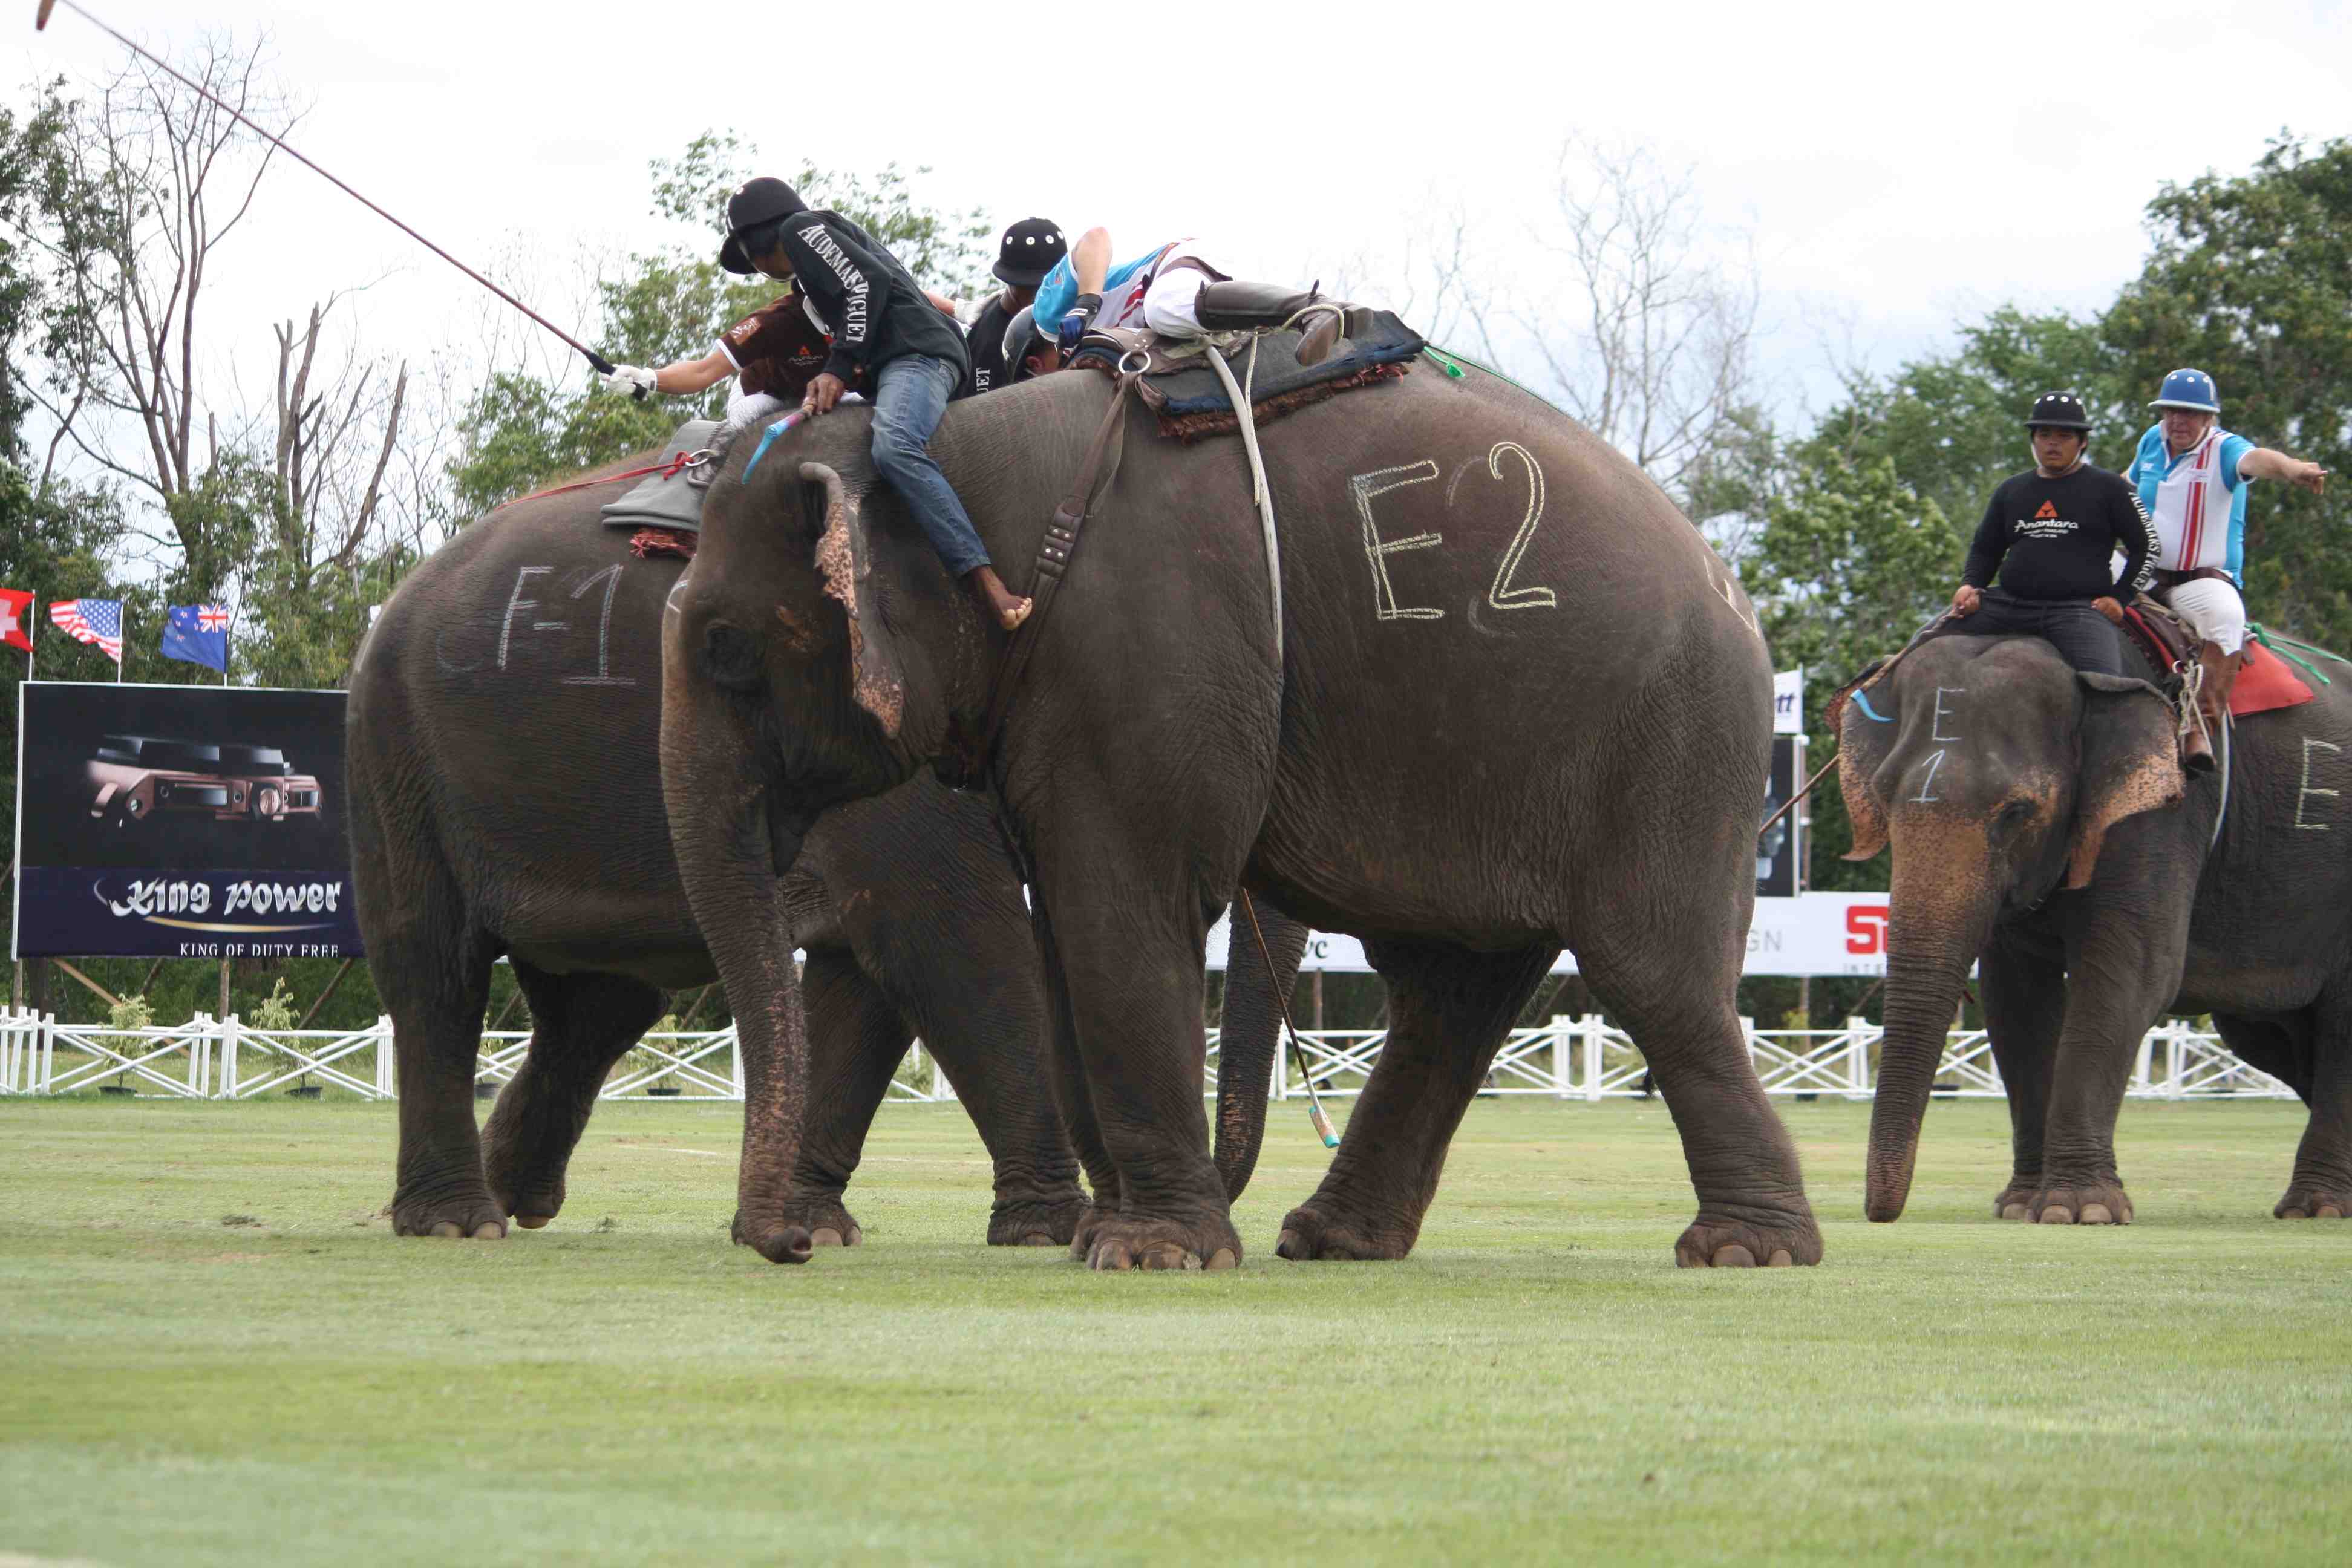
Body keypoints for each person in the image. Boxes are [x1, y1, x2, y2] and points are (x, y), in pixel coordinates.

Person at [606, 178, 1027, 631]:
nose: (756, 269)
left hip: (918, 355)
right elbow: (706, 370)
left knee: (894, 445)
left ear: (756, 243)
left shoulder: (801, 229)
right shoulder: (797, 300)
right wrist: (649, 378)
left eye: (750, 257)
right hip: (887, 373)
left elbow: (868, 283)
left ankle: (982, 579)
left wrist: (837, 367)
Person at [2120, 367, 2330, 737]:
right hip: (2142, 569)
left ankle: (2199, 728)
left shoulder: (2225, 449)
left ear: (2209, 417)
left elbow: (2258, 459)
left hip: (2197, 583)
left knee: (2227, 619)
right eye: (2171, 410)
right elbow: (2128, 482)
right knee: (2077, 567)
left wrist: (2292, 469)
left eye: (2189, 412)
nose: (2177, 420)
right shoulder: (2153, 439)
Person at [1947, 389, 2157, 686]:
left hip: (2077, 612)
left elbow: (2147, 548)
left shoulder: (2112, 489)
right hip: (2008, 606)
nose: (2053, 443)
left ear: (2083, 442)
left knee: (2107, 689)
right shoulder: (2010, 490)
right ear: (2033, 440)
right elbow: (1985, 548)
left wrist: (2120, 597)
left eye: (2064, 435)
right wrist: (1970, 584)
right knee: (1921, 648)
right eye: (2044, 434)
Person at [1030, 227, 1337, 364]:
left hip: (1176, 266)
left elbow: (1096, 238)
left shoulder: (1046, 317)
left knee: (1163, 308)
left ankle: (1312, 308)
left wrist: (1086, 304)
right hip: (1209, 298)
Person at [964, 217, 1066, 396]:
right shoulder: (990, 345)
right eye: (1033, 287)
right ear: (1011, 282)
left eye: (1052, 286)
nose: (1042, 296)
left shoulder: (1056, 315)